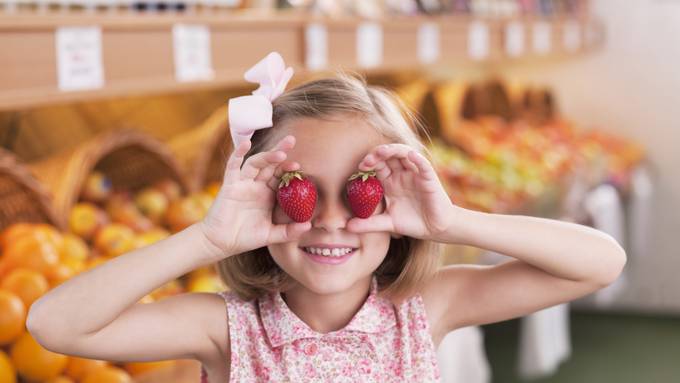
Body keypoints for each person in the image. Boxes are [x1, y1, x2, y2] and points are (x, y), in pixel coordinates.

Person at [26, 52, 626, 383]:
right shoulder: (227, 329)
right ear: (263, 200)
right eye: (299, 193)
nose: (332, 220)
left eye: (360, 191)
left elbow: (600, 264)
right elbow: (56, 327)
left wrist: (452, 222)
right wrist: (207, 239)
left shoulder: (426, 309)